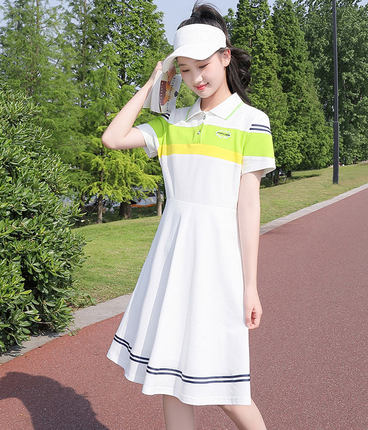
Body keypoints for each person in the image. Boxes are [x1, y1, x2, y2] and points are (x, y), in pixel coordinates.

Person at [101, 2, 276, 429]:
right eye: (184, 69)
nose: (196, 78)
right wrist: (152, 82)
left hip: (218, 265)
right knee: (170, 379)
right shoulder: (172, 123)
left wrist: (250, 287)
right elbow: (113, 137)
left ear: (225, 57)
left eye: (203, 66)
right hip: (172, 262)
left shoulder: (252, 122)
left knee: (226, 388)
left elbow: (248, 206)